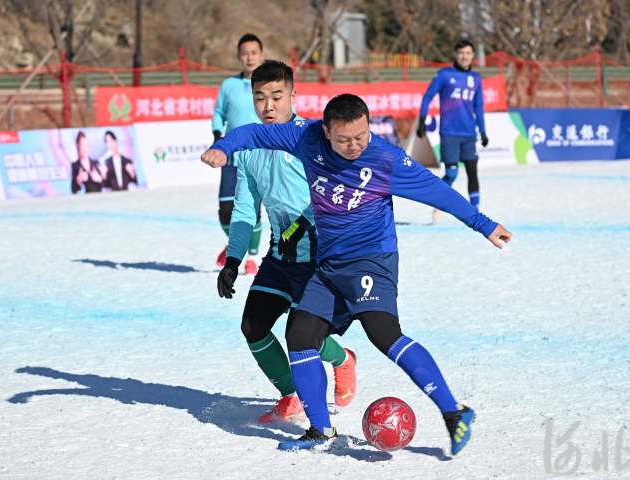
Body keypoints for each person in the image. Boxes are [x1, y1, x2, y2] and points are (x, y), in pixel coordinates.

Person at [201, 94, 511, 456]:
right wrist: (223, 147)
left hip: (371, 261)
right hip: (330, 264)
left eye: (361, 136)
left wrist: (483, 224)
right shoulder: (306, 137)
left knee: (383, 333)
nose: (355, 146)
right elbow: (254, 133)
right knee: (300, 333)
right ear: (327, 131)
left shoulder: (385, 158)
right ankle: (320, 430)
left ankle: (454, 412)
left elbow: (438, 192)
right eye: (345, 139)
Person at [216, 60, 357, 423]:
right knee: (253, 326)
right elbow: (247, 209)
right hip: (279, 257)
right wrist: (233, 260)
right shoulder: (247, 148)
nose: (268, 106)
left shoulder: (311, 139)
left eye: (277, 96)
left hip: (317, 257)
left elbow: (331, 193)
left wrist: (302, 226)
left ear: (293, 95)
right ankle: (290, 394)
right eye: (260, 97)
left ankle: (343, 358)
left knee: (303, 338)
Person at [417, 39, 488, 223]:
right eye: (461, 53)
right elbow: (427, 97)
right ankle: (437, 204)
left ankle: (476, 212)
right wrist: (422, 120)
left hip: (469, 134)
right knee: (452, 174)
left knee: (473, 170)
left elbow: (479, 106)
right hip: (449, 133)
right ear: (456, 54)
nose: (465, 57)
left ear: (473, 56)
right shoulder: (444, 75)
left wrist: (483, 131)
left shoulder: (476, 79)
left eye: (468, 53)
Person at [212, 33, 264, 273]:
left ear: (261, 55)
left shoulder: (269, 85)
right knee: (225, 210)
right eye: (245, 53)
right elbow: (219, 113)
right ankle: (235, 242)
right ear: (239, 56)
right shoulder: (228, 85)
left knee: (252, 209)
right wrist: (217, 135)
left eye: (254, 52)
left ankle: (251, 258)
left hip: (259, 155)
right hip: (231, 155)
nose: (249, 57)